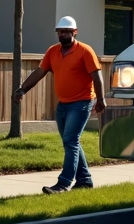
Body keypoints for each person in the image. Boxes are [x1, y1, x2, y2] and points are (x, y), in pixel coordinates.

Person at [13, 16, 106, 194]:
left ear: (74, 32)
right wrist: (23, 89)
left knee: (71, 141)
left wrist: (101, 100)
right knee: (71, 142)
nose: (61, 35)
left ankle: (63, 184)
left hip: (82, 102)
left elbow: (96, 76)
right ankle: (85, 180)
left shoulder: (85, 51)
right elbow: (39, 72)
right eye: (59, 32)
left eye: (65, 31)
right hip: (63, 103)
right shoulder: (52, 52)